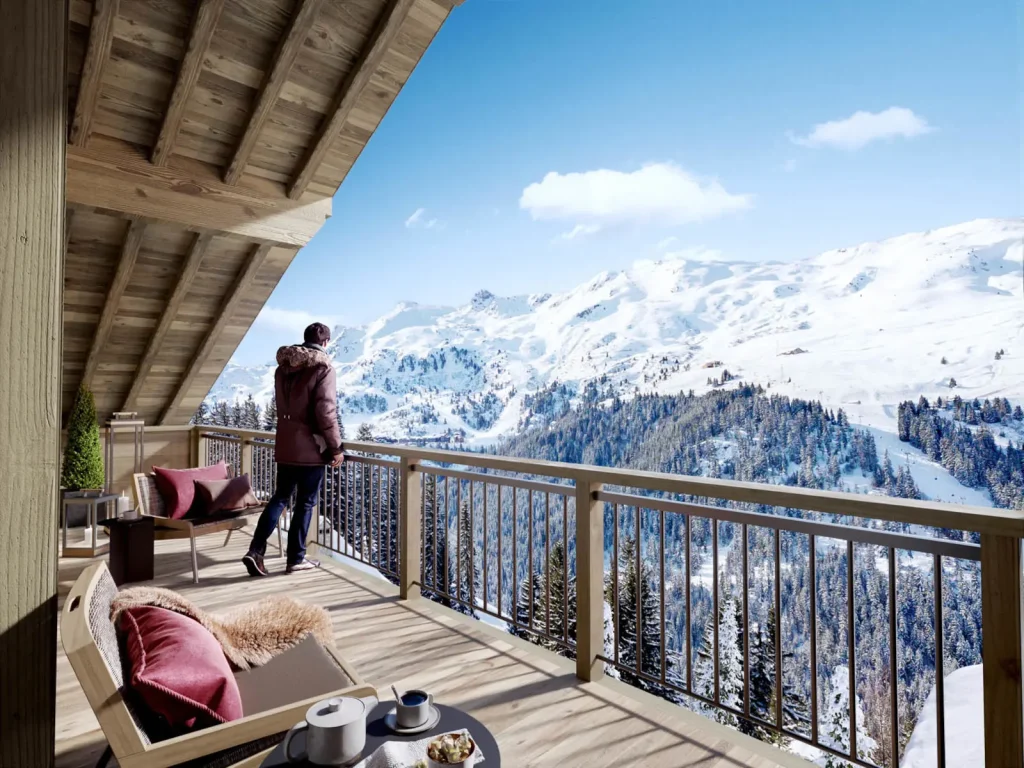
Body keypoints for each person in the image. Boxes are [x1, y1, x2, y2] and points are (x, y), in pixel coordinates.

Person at [242, 322, 343, 577]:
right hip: (311, 447)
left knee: (280, 498)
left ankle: (256, 549)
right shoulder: (323, 368)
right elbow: (325, 412)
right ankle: (295, 559)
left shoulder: (283, 369)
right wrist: (336, 448)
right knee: (305, 503)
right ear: (326, 343)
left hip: (286, 444)